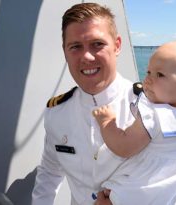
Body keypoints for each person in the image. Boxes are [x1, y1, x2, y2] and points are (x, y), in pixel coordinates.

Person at [31, 3, 139, 205]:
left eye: (97, 44)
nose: (87, 57)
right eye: (75, 47)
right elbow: (50, 172)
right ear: (65, 51)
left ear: (117, 45)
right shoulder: (57, 112)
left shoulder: (147, 106)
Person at [92, 40, 176, 204]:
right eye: (148, 72)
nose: (147, 80)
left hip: (148, 188)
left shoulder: (155, 116)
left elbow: (123, 147)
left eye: (159, 75)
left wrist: (107, 121)